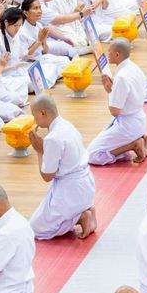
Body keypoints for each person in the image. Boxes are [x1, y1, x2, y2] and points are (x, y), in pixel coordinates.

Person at [27, 94, 96, 240]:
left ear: (43, 113)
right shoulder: (66, 125)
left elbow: (47, 176)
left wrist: (39, 151)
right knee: (41, 216)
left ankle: (81, 217)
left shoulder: (52, 138)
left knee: (35, 229)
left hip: (71, 192)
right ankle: (82, 211)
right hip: (85, 185)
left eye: (34, 115)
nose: (34, 120)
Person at [88, 38, 147, 165]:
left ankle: (133, 144)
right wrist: (114, 89)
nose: (107, 54)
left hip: (128, 125)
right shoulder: (134, 67)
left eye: (109, 51)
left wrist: (109, 91)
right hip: (138, 119)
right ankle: (138, 139)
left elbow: (114, 111)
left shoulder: (122, 77)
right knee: (100, 144)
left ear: (117, 55)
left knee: (92, 155)